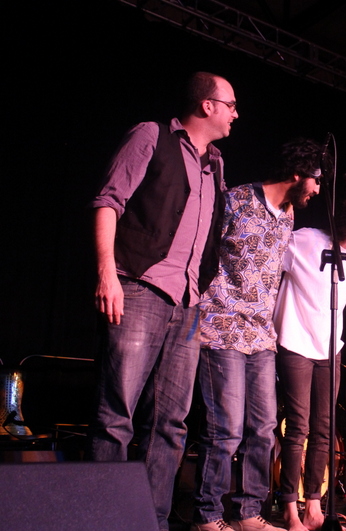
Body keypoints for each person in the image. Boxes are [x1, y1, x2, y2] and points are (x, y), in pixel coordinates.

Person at [89, 72, 236, 531]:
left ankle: (149, 521)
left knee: (171, 424)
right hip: (138, 287)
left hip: (188, 305)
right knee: (118, 414)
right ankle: (106, 518)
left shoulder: (216, 163)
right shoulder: (152, 135)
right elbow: (108, 201)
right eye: (231, 104)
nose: (236, 113)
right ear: (207, 105)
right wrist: (107, 275)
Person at [192, 138, 322, 531]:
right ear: (297, 175)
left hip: (261, 335)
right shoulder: (237, 199)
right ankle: (207, 515)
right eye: (315, 180)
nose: (317, 190)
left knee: (264, 427)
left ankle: (249, 512)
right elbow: (204, 250)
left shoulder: (287, 216)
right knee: (225, 428)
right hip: (222, 327)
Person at [273, 172, 346, 531]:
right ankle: (289, 508)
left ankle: (314, 505)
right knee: (298, 428)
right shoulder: (303, 240)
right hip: (295, 342)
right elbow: (269, 265)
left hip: (330, 348)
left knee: (324, 428)